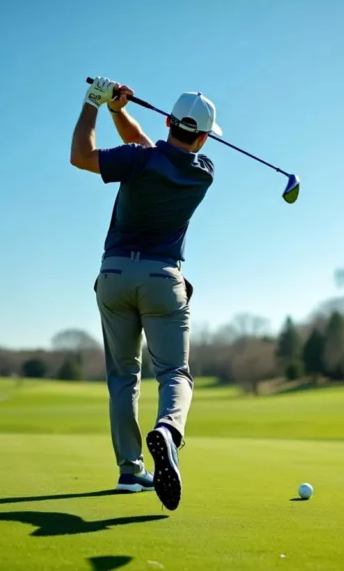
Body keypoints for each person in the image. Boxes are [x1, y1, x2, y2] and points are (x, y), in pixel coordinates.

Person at [69, 76, 220, 511]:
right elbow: (153, 152)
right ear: (205, 138)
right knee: (174, 372)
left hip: (114, 274)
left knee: (123, 377)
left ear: (169, 121)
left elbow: (83, 156)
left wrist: (93, 104)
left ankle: (129, 469)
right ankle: (169, 432)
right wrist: (120, 111)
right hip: (162, 279)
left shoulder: (140, 160)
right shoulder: (203, 174)